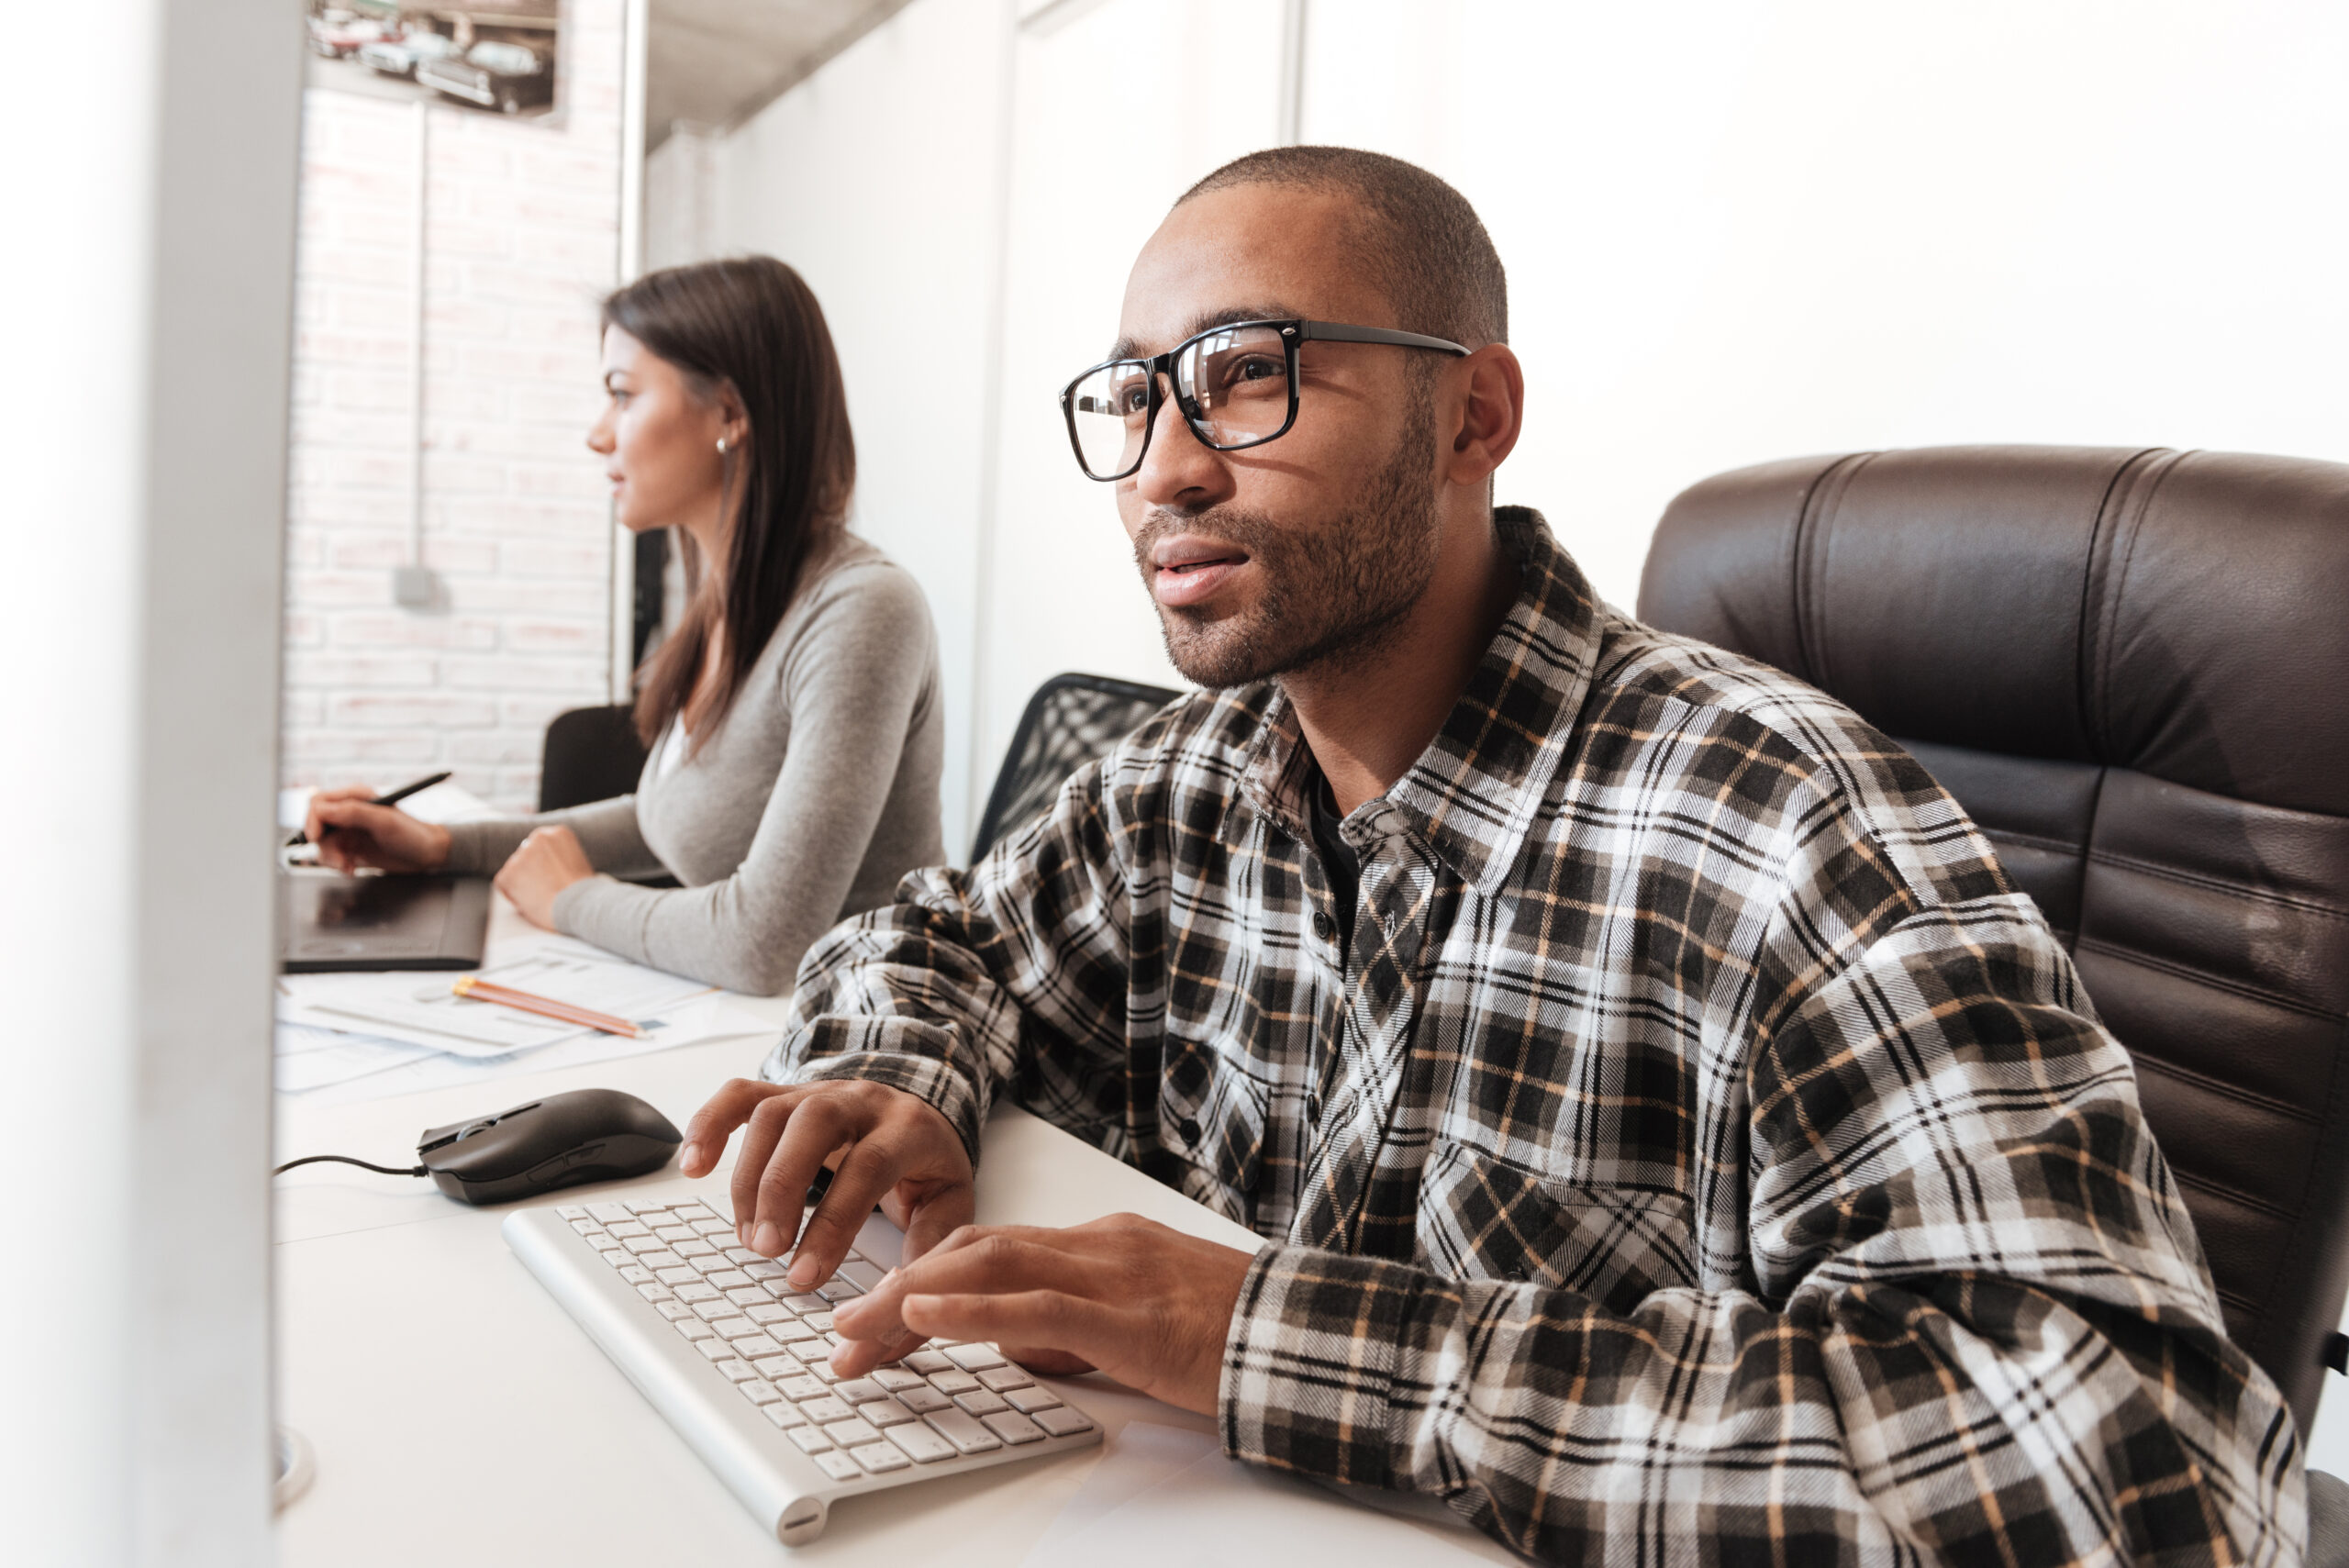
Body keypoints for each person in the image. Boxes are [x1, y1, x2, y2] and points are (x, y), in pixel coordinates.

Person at [681, 150, 2299, 1562]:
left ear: (1475, 414)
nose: (1166, 464)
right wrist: (903, 1068)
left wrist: (1254, 1331)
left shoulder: (1776, 821)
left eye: (1247, 372)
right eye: (1134, 394)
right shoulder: (1184, 776)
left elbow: (2141, 1463)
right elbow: (935, 933)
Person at [304, 257, 945, 995]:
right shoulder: (731, 599)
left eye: (623, 396)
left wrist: (569, 898)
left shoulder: (863, 609)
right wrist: (440, 845)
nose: (597, 435)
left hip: (862, 1040)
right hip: (752, 1026)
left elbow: (762, 942)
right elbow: (664, 822)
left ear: (731, 413)